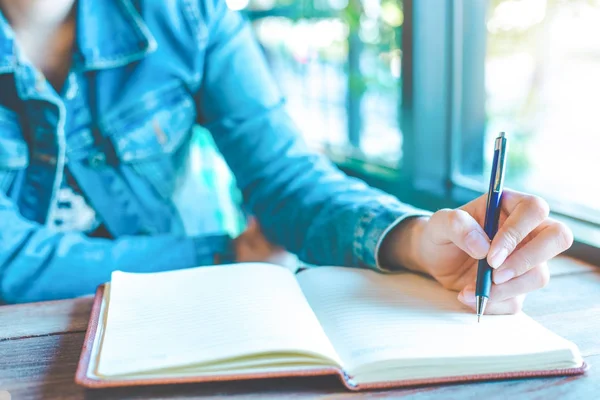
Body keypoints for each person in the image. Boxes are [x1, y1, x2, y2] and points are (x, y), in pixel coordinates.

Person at [0, 0, 572, 310]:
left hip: (189, 316)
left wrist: (417, 240)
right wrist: (226, 257)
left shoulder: (187, 16)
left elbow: (285, 178)